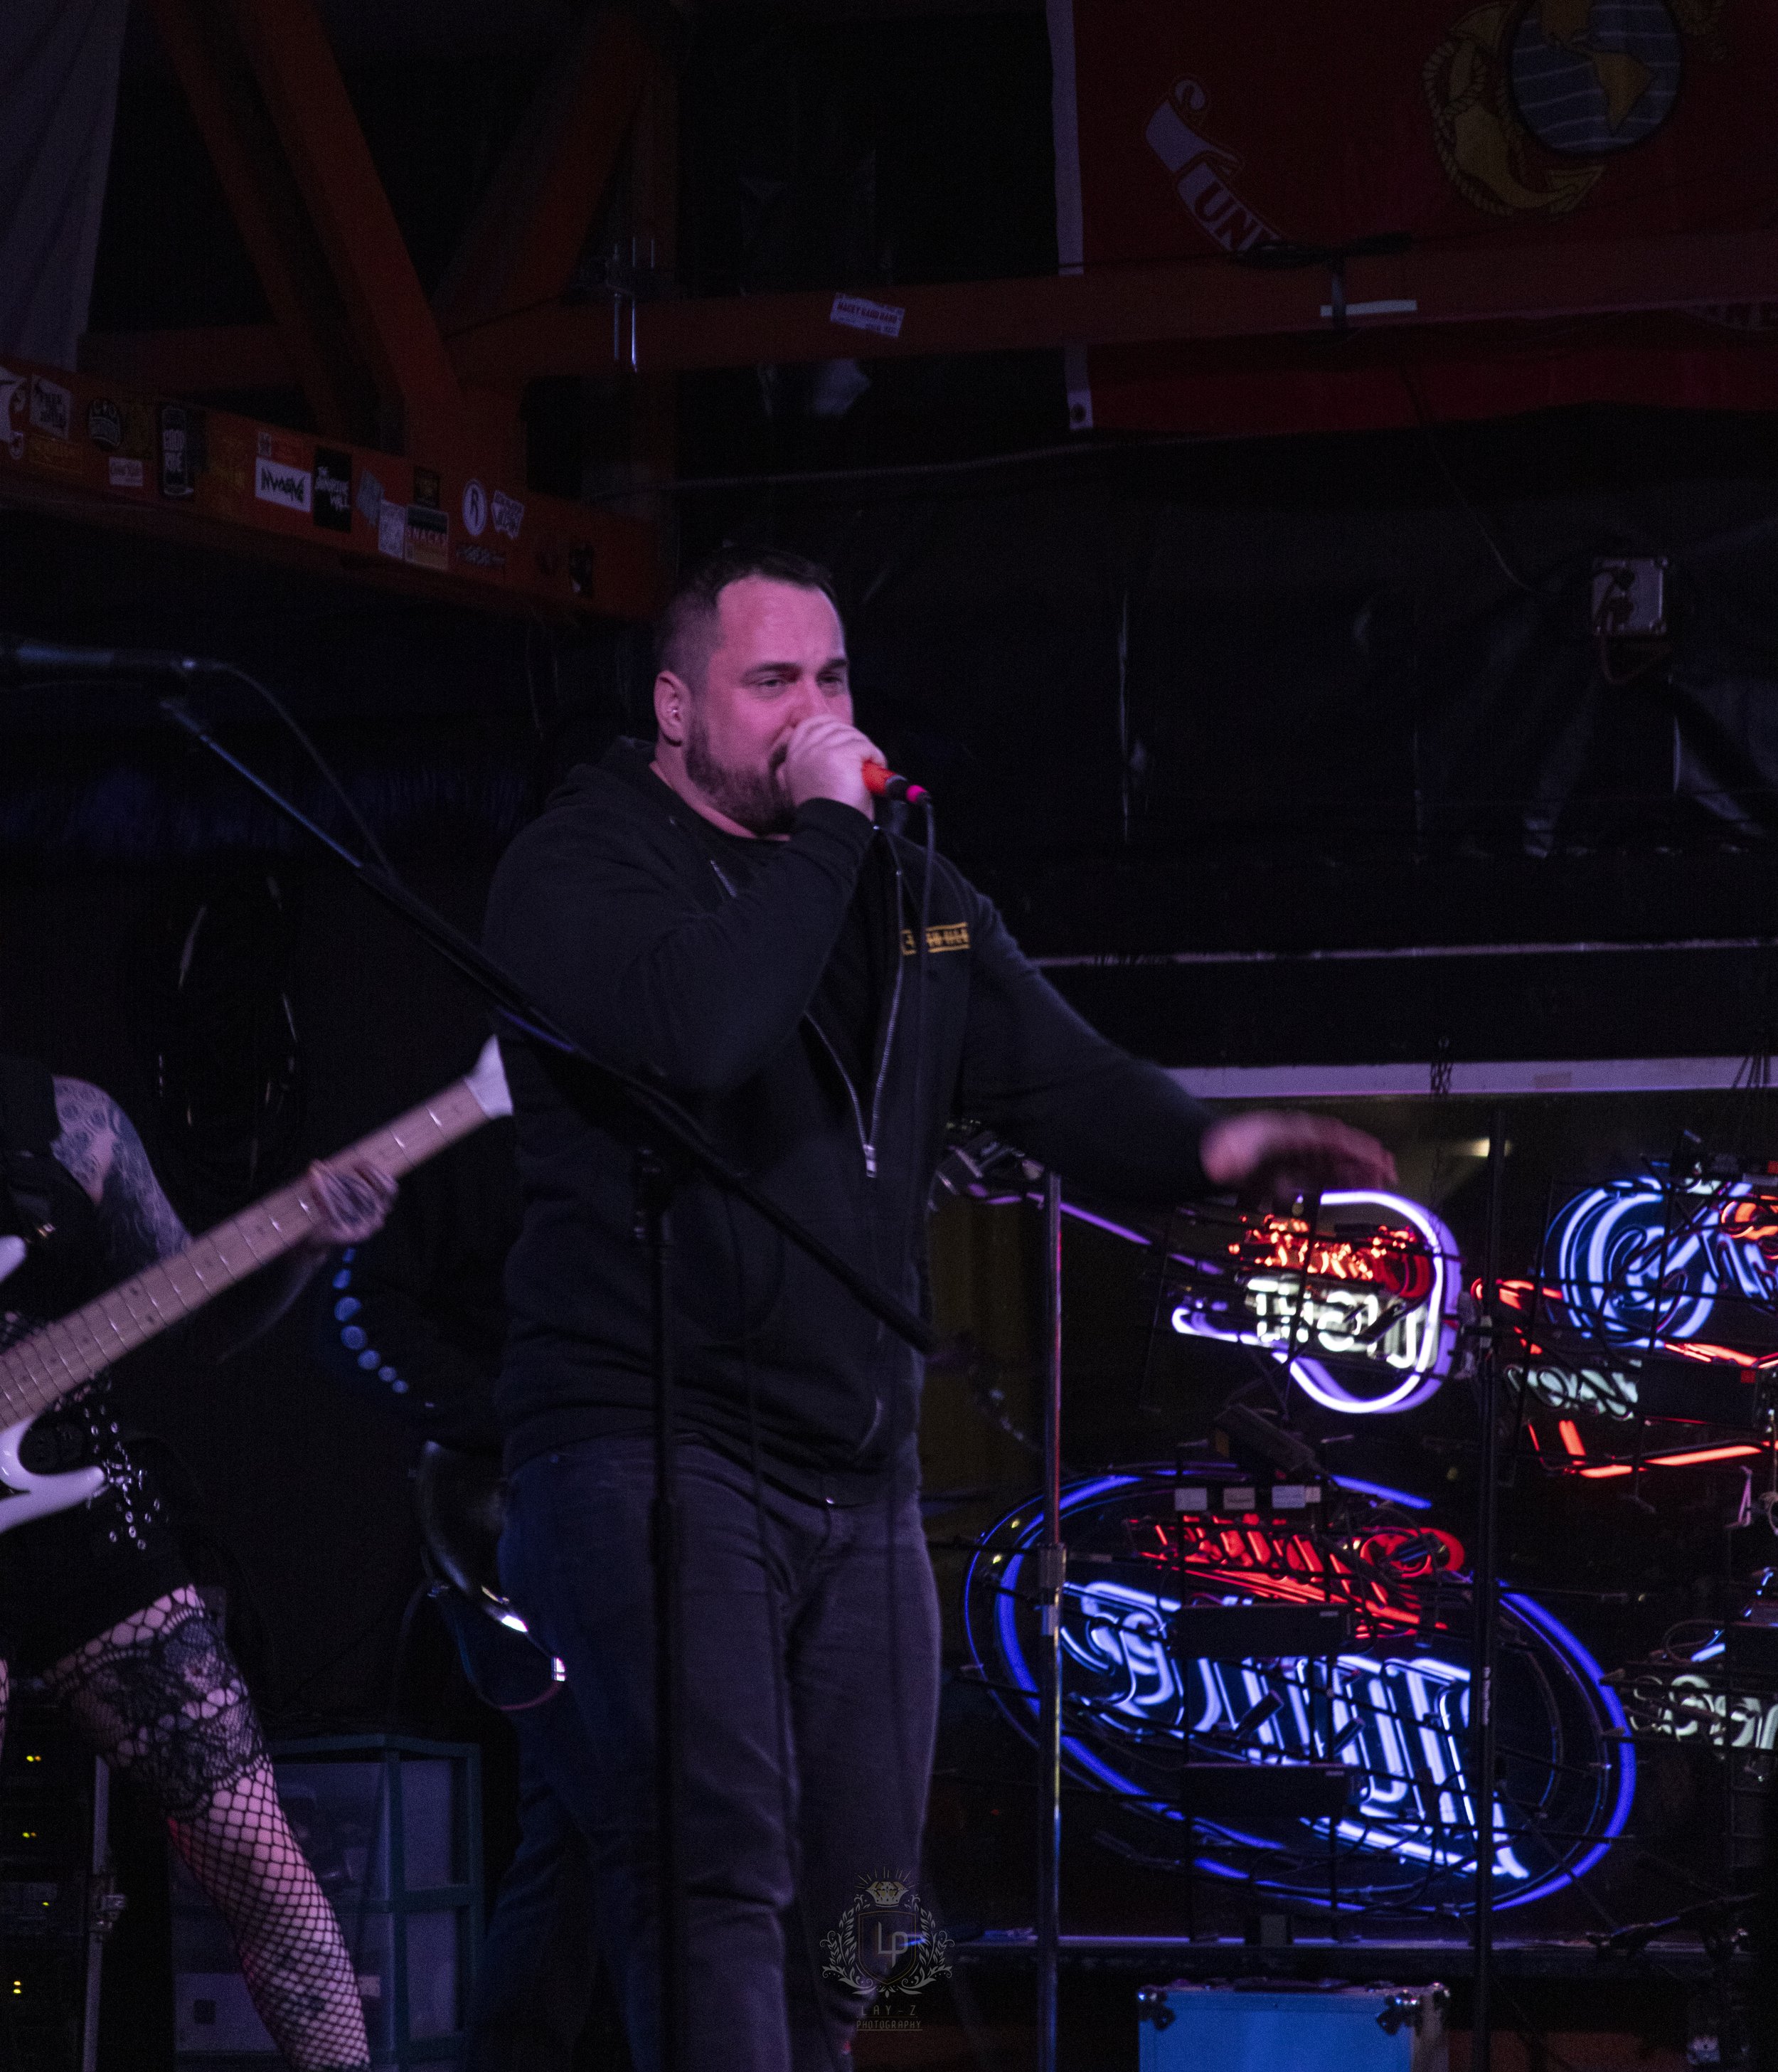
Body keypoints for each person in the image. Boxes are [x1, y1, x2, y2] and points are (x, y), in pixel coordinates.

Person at [482, 545, 1396, 2070]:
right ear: (672, 705)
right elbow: (706, 1026)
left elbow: (1042, 1062)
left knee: (870, 1903)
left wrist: (1206, 1143)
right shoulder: (587, 863)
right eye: (770, 682)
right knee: (711, 1864)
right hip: (651, 1443)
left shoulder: (915, 897)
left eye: (831, 678)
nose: (812, 711)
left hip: (854, 1466)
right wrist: (833, 827)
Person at [0, 1055, 397, 2072]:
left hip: (75, 1508)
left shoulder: (72, 1121)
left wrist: (304, 1243)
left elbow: (204, 1313)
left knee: (263, 1864)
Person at [314, 1112, 607, 2072]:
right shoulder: (493, 1137)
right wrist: (509, 1421)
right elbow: (354, 1308)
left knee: (633, 1820)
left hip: (676, 1511)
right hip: (532, 1514)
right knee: (583, 1809)